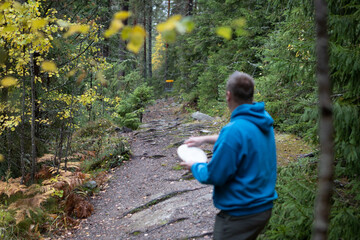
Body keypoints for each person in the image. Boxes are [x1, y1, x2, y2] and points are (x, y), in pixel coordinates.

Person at [181, 71, 277, 240]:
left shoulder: (233, 131)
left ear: (228, 95)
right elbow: (243, 140)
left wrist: (194, 166)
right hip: (262, 209)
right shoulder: (262, 121)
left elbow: (214, 175)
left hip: (240, 214)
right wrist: (204, 139)